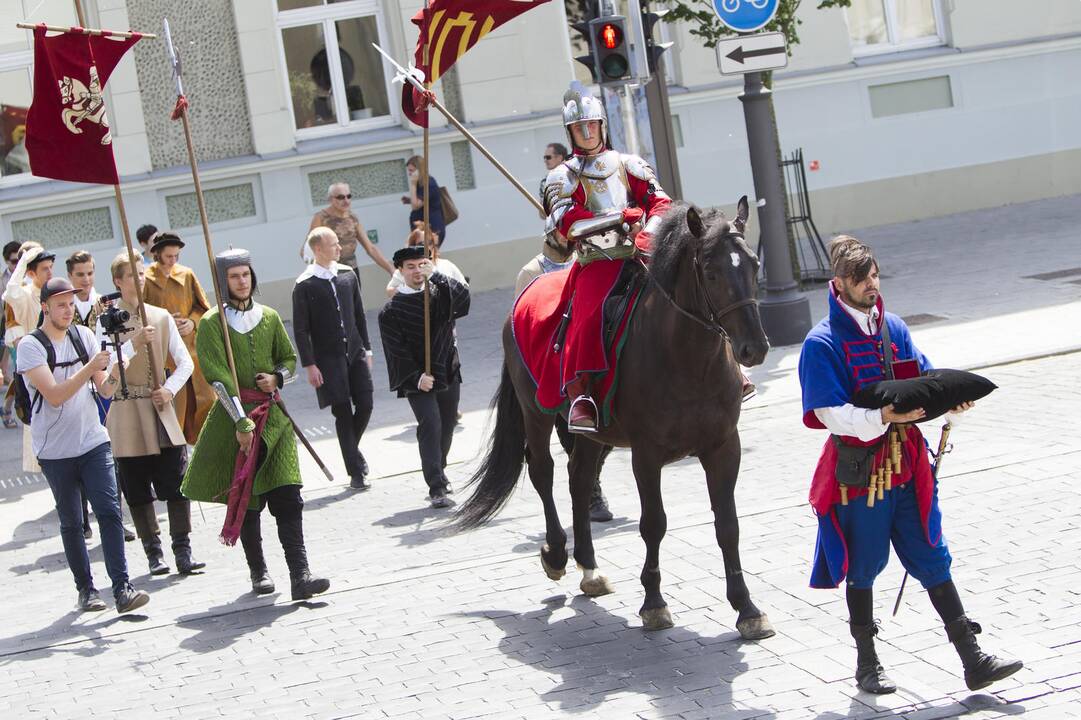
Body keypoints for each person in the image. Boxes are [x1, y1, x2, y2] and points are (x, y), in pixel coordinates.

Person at [798, 235, 1022, 695]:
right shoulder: (822, 343)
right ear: (839, 284)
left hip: (908, 464)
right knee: (864, 564)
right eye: (861, 280)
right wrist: (880, 416)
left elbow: (921, 376)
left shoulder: (894, 327)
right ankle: (867, 664)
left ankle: (972, 659)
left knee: (932, 556)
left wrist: (948, 403)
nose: (871, 286)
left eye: (875, 276)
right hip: (861, 472)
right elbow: (828, 413)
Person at [181, 249, 329, 600]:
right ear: (223, 281)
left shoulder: (270, 316)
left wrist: (277, 377)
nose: (242, 281)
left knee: (288, 494)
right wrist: (240, 422)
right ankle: (258, 571)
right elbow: (216, 376)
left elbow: (289, 359)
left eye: (246, 274)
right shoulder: (212, 324)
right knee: (248, 497)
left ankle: (300, 574)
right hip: (236, 420)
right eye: (234, 276)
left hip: (274, 419)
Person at [16, 277, 149, 613]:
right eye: (60, 304)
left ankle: (122, 588)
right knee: (73, 521)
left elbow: (104, 390)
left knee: (110, 511)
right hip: (54, 450)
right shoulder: (31, 346)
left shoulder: (84, 336)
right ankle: (86, 590)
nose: (67, 309)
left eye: (71, 303)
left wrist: (118, 368)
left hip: (93, 440)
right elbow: (56, 396)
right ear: (45, 306)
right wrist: (91, 366)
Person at [103, 254, 206, 577]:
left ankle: (182, 549)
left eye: (141, 273)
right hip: (126, 408)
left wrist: (171, 389)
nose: (140, 279)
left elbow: (185, 361)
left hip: (159, 406)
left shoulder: (159, 316)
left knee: (175, 480)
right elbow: (106, 368)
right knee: (136, 485)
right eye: (131, 275)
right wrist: (134, 342)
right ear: (118, 281)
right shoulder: (106, 320)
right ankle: (153, 552)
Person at [378, 247, 469, 508]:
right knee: (430, 424)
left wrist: (438, 276)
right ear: (400, 271)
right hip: (417, 380)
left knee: (448, 423)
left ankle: (439, 468)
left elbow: (463, 301)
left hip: (447, 369)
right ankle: (437, 487)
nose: (417, 271)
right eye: (411, 266)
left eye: (422, 265)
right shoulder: (392, 311)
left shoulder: (439, 295)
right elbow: (396, 351)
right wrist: (418, 378)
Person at [293, 227, 374, 491]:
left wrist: (368, 350)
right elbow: (301, 329)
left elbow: (360, 315)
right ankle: (356, 471)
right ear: (318, 249)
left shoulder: (347, 275)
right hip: (327, 359)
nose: (339, 248)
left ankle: (354, 452)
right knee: (342, 411)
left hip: (355, 352)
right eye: (334, 244)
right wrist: (309, 365)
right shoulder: (305, 284)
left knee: (365, 404)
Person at [67, 249, 137, 544]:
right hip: (74, 386)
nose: (85, 279)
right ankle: (82, 517)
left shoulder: (106, 304)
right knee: (78, 452)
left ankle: (114, 518)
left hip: (104, 384)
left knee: (108, 454)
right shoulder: (64, 305)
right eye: (79, 274)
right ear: (70, 276)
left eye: (89, 273)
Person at [141, 231, 215, 444]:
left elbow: (203, 308)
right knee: (176, 405)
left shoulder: (187, 274)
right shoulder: (146, 278)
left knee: (204, 398)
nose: (173, 261)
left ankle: (205, 443)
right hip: (164, 352)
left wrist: (192, 322)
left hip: (191, 348)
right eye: (168, 256)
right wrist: (164, 321)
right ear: (157, 254)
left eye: (176, 256)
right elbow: (141, 314)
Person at [5, 243, 54, 471]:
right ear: (31, 271)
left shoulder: (55, 292)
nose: (50, 272)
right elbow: (10, 293)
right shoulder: (24, 295)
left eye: (51, 267)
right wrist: (24, 261)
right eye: (44, 268)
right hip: (35, 369)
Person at [304, 183, 394, 277]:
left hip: (351, 270)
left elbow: (370, 248)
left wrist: (391, 269)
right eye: (340, 197)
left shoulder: (353, 218)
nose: (346, 201)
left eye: (348, 196)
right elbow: (306, 250)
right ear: (330, 199)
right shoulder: (321, 218)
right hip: (330, 273)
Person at [386, 223, 467, 298]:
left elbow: (464, 288)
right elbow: (390, 291)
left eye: (430, 242)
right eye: (422, 244)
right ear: (413, 246)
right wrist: (412, 294)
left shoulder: (446, 264)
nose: (427, 247)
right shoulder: (406, 269)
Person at [403, 156, 446, 247]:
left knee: (426, 258)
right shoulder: (421, 183)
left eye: (412, 171)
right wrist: (409, 200)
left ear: (420, 170)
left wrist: (413, 185)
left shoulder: (429, 184)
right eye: (409, 171)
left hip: (431, 229)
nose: (410, 174)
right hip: (421, 229)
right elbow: (423, 202)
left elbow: (416, 206)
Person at [0, 241, 21, 428]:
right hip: (11, 334)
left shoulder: (30, 276)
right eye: (14, 261)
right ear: (7, 262)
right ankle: (7, 409)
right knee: (18, 375)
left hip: (32, 331)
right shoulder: (2, 282)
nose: (17, 264)